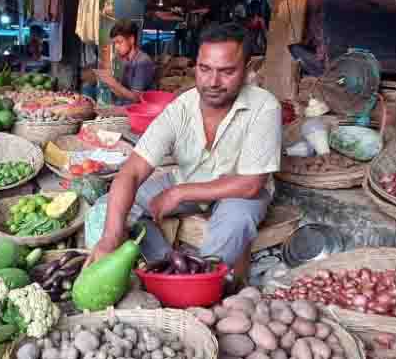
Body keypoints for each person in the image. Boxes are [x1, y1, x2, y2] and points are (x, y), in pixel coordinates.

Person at [84, 23, 282, 283]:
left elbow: (250, 184)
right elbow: (131, 172)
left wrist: (179, 192)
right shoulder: (180, 108)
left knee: (236, 222)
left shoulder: (264, 106)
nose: (213, 82)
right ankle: (165, 266)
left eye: (227, 72)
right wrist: (110, 238)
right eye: (205, 69)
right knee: (108, 208)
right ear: (195, 67)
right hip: (190, 177)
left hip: (237, 190)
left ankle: (201, 282)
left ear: (245, 71)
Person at [94, 20, 156, 105]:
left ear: (131, 39)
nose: (116, 47)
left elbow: (136, 98)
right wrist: (109, 82)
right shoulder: (126, 61)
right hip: (124, 106)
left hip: (139, 111)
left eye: (119, 42)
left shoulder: (142, 62)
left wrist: (113, 83)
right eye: (115, 43)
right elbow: (123, 94)